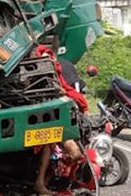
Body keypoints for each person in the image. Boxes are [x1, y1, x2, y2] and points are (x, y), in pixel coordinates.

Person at [33, 47, 87, 195]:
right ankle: (40, 183)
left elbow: (68, 90)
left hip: (58, 121)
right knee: (48, 148)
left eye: (50, 59)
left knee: (76, 153)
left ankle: (57, 174)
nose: (48, 61)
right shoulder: (35, 78)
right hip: (45, 122)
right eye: (45, 59)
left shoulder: (57, 77)